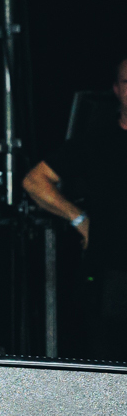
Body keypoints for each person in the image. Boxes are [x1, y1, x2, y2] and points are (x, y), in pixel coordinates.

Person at [22, 57, 127, 361]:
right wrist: (79, 219)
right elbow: (34, 181)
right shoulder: (96, 141)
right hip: (112, 273)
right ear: (116, 89)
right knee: (110, 372)